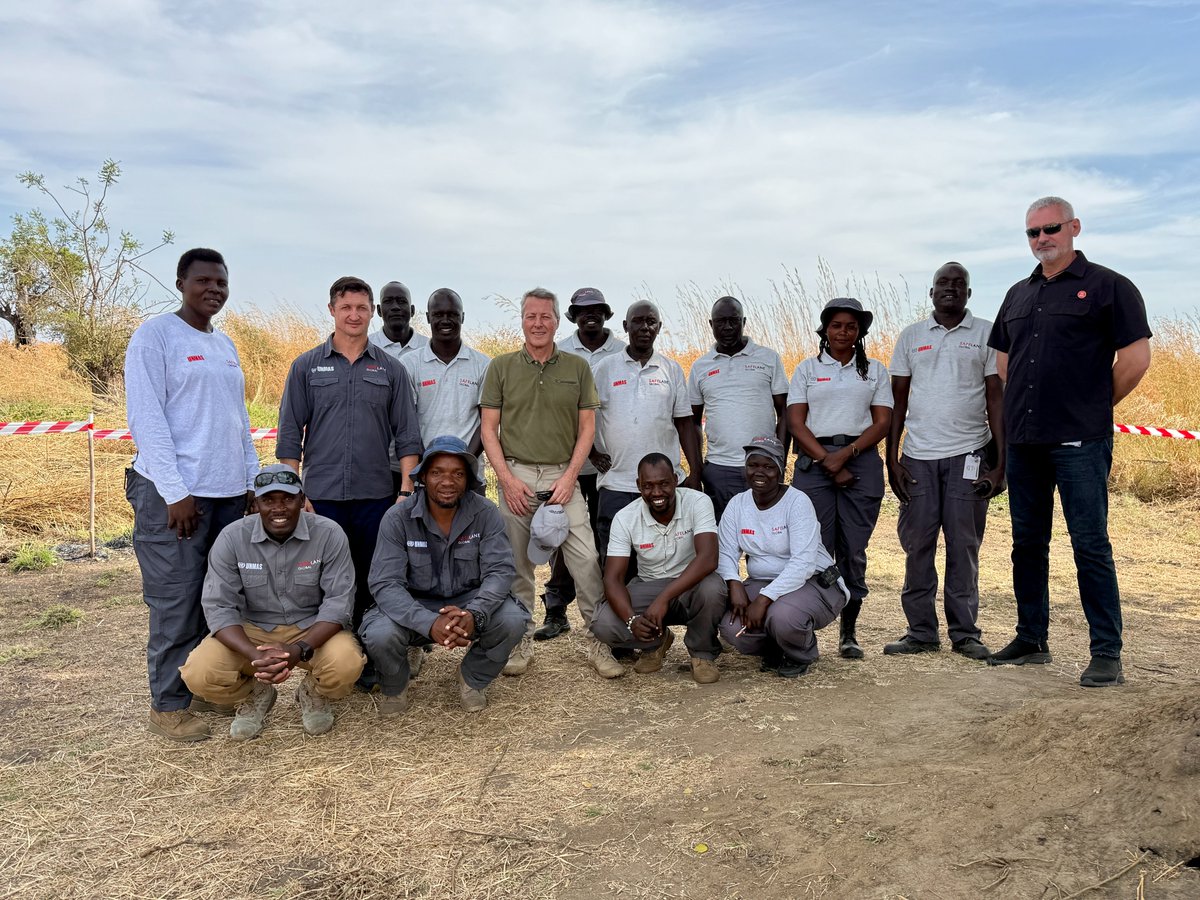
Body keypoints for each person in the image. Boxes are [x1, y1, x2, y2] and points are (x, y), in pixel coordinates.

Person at [987, 196, 1152, 687]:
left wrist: (1094, 409)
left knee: (1090, 544)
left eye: (1051, 228)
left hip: (1080, 440)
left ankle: (1106, 652)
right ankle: (1031, 639)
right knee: (1027, 543)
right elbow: (1003, 360)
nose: (1042, 239)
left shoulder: (1109, 287)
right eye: (1033, 232)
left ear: (1074, 227)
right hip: (1025, 441)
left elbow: (1136, 358)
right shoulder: (1018, 293)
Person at [124, 247, 259, 742]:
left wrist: (248, 482)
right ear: (181, 282)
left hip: (226, 494)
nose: (214, 290)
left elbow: (238, 422)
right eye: (203, 280)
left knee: (218, 598)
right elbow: (147, 420)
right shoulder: (155, 337)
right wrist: (174, 491)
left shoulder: (223, 345)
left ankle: (205, 687)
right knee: (176, 599)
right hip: (176, 496)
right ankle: (168, 706)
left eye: (221, 282)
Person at [479, 287, 624, 678]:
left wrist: (571, 476)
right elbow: (489, 430)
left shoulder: (576, 368)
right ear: (522, 321)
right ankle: (520, 635)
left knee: (586, 560)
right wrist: (506, 480)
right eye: (531, 316)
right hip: (518, 474)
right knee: (518, 563)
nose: (538, 323)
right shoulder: (501, 368)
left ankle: (598, 638)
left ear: (558, 322)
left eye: (546, 317)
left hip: (564, 474)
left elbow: (587, 426)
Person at [179, 465, 366, 740]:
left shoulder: (329, 533)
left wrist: (298, 648)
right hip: (251, 632)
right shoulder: (232, 538)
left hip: (311, 630)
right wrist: (255, 654)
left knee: (347, 664)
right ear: (255, 504)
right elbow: (219, 608)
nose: (278, 508)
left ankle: (313, 693)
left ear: (302, 501)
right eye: (268, 500)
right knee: (199, 673)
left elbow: (339, 604)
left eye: (288, 499)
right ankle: (255, 694)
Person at [276, 276, 422, 627]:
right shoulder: (306, 367)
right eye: (346, 308)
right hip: (320, 496)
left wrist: (405, 491)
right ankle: (328, 652)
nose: (353, 315)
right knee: (322, 578)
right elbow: (289, 435)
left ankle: (369, 652)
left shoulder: (390, 369)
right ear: (331, 310)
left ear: (372, 312)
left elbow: (408, 436)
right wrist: (294, 491)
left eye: (361, 308)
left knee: (373, 576)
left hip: (375, 497)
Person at [884, 263, 1004, 661]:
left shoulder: (987, 333)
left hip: (969, 453)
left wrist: (1001, 462)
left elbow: (995, 398)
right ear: (930, 291)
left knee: (964, 545)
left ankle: (965, 633)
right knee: (918, 544)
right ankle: (920, 631)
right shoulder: (911, 337)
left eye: (959, 284)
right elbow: (896, 401)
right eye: (942, 283)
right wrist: (891, 458)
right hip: (917, 458)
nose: (950, 289)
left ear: (968, 294)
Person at [358, 437, 529, 713]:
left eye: (457, 474)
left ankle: (473, 678)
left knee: (513, 619)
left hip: (469, 604)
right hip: (414, 604)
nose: (447, 482)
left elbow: (500, 571)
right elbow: (386, 584)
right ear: (423, 476)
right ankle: (394, 687)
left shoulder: (486, 513)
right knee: (379, 633)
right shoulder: (397, 517)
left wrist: (476, 613)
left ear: (468, 479)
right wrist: (428, 623)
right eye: (437, 472)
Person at [787, 297, 892, 660]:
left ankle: (848, 634)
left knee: (853, 550)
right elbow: (796, 423)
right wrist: (826, 459)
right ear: (825, 330)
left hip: (859, 463)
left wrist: (845, 456)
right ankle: (802, 630)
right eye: (836, 325)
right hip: (815, 465)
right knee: (812, 549)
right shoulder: (806, 370)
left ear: (860, 332)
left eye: (851, 326)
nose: (843, 331)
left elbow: (882, 422)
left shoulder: (875, 370)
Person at [717, 437, 849, 677]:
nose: (759, 472)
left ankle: (802, 651)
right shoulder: (737, 504)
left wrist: (764, 599)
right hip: (764, 581)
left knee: (783, 616)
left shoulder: (797, 503)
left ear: (781, 470)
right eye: (753, 465)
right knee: (730, 627)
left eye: (768, 467)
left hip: (814, 581)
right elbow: (725, 551)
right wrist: (734, 583)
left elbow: (803, 564)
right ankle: (778, 646)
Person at [537, 287, 626, 640]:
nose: (590, 315)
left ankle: (604, 610)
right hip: (566, 465)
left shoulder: (621, 351)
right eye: (582, 310)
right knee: (560, 538)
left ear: (606, 313)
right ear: (572, 316)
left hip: (611, 468)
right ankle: (556, 611)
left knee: (605, 541)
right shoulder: (559, 353)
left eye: (597, 310)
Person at [591, 453, 725, 683]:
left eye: (663, 484)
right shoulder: (625, 517)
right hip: (649, 585)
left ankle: (702, 654)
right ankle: (655, 642)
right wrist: (632, 620)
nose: (656, 493)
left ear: (675, 479)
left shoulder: (698, 501)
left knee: (713, 589)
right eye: (648, 486)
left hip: (691, 584)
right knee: (603, 623)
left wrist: (663, 599)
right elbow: (612, 578)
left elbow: (708, 559)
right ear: (638, 486)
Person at [591, 301, 701, 570]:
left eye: (650, 322)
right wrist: (592, 453)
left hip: (663, 485)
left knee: (667, 559)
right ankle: (619, 612)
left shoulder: (671, 369)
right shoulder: (604, 369)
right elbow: (581, 417)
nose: (644, 327)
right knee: (616, 561)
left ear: (659, 327)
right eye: (637, 321)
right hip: (616, 483)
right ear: (626, 326)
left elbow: (685, 424)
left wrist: (696, 473)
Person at [687, 296, 790, 521]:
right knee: (723, 544)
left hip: (763, 466)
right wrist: (697, 469)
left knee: (764, 541)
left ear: (744, 322)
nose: (727, 327)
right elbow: (692, 421)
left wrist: (778, 461)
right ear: (710, 324)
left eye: (733, 321)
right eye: (720, 322)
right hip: (719, 468)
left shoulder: (768, 358)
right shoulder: (700, 367)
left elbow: (785, 413)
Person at [398, 288, 490, 493]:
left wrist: (462, 463)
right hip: (426, 474)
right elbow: (407, 422)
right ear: (428, 317)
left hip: (470, 476)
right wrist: (431, 464)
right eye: (438, 315)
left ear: (463, 317)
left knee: (474, 526)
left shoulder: (483, 364)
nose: (445, 320)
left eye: (453, 314)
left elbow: (488, 423)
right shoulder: (410, 364)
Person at [369, 281, 431, 494]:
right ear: (378, 310)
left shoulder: (430, 349)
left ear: (412, 310)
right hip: (376, 466)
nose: (395, 307)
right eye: (388, 301)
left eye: (401, 301)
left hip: (421, 465)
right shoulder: (365, 349)